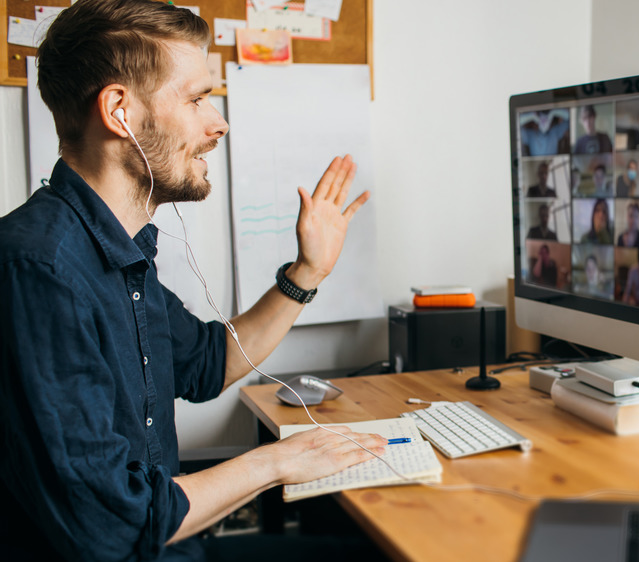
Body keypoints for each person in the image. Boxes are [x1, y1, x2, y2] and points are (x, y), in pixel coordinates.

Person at [0, 2, 388, 560]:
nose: (219, 123)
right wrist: (277, 462)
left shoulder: (115, 249)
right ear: (119, 111)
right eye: (197, 98)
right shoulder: (41, 271)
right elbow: (110, 528)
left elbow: (206, 362)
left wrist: (309, 272)